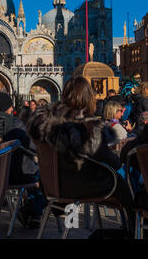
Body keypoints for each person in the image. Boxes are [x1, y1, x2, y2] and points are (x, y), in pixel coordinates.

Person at [27, 76, 134, 233]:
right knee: (124, 185)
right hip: (81, 185)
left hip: (55, 185)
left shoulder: (47, 123)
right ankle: (133, 230)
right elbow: (109, 160)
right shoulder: (88, 125)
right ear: (89, 99)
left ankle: (71, 230)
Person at [0, 92, 41, 228]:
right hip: (12, 174)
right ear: (5, 108)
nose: (12, 109)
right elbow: (31, 147)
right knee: (43, 177)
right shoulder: (14, 123)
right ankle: (30, 210)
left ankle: (31, 210)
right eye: (10, 106)